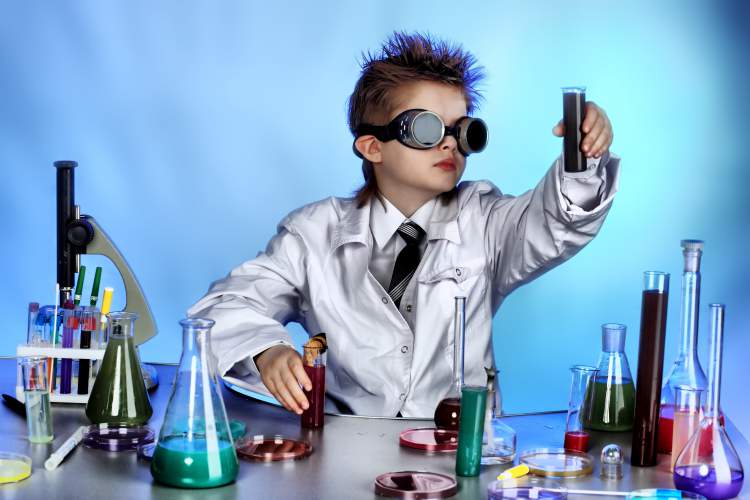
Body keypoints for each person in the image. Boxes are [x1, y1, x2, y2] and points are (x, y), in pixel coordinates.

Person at [188, 32, 619, 418]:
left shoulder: (486, 222)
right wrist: (266, 350)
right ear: (372, 147)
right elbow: (221, 309)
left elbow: (557, 223)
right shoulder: (314, 233)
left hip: (456, 452)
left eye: (463, 131)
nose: (449, 144)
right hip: (342, 451)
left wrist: (580, 156)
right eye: (426, 128)